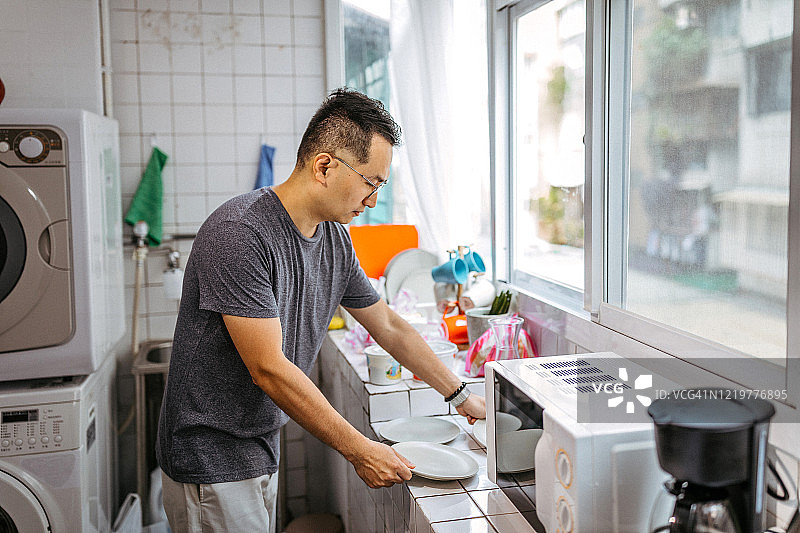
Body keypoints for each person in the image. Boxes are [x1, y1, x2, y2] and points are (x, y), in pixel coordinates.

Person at [155, 87, 486, 533]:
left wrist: (461, 395)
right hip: (210, 457)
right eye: (371, 182)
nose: (373, 200)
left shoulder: (333, 239)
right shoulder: (241, 234)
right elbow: (269, 368)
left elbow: (386, 324)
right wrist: (360, 449)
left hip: (256, 445)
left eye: (380, 186)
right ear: (325, 166)